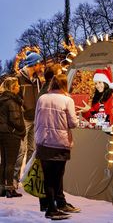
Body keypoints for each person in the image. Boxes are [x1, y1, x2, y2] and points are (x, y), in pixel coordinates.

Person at [34, 74, 80, 220]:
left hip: (43, 142)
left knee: (48, 178)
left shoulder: (42, 98)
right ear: (64, 85)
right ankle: (52, 209)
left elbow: (36, 119)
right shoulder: (68, 100)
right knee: (57, 177)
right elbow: (73, 123)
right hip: (59, 143)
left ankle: (54, 205)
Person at [13, 51, 44, 187]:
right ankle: (13, 179)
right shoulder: (19, 78)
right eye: (39, 64)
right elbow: (15, 96)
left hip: (35, 118)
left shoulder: (37, 80)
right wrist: (24, 107)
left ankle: (27, 179)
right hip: (24, 118)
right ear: (34, 64)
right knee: (22, 150)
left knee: (32, 149)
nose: (41, 66)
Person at [0, 77, 26, 198]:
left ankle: (2, 188)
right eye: (17, 86)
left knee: (4, 162)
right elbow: (15, 120)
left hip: (2, 133)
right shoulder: (12, 101)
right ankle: (10, 189)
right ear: (13, 87)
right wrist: (21, 130)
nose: (19, 87)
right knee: (10, 162)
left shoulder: (2, 99)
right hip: (11, 134)